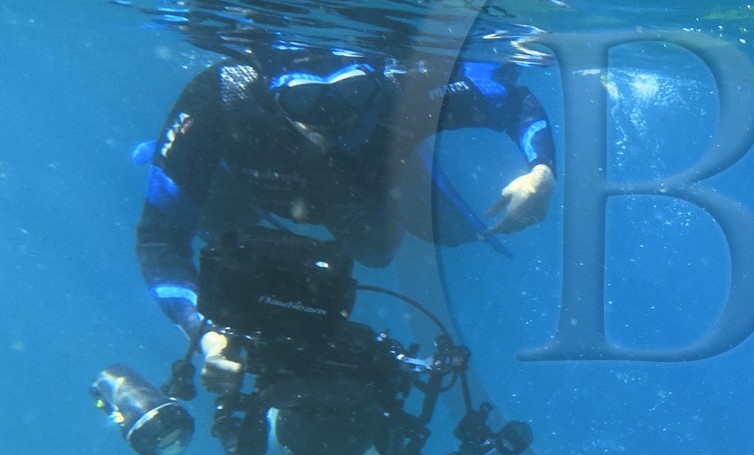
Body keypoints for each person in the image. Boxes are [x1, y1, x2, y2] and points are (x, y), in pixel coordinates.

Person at [137, 42, 557, 394]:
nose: (334, 117)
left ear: (378, 79)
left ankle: (406, 171)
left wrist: (542, 171)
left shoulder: (406, 85)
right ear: (270, 94)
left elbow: (511, 98)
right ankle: (163, 160)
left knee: (378, 251)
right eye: (304, 99)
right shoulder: (224, 95)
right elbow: (159, 239)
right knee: (217, 239)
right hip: (246, 189)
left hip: (358, 187)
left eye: (354, 92)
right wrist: (204, 333)